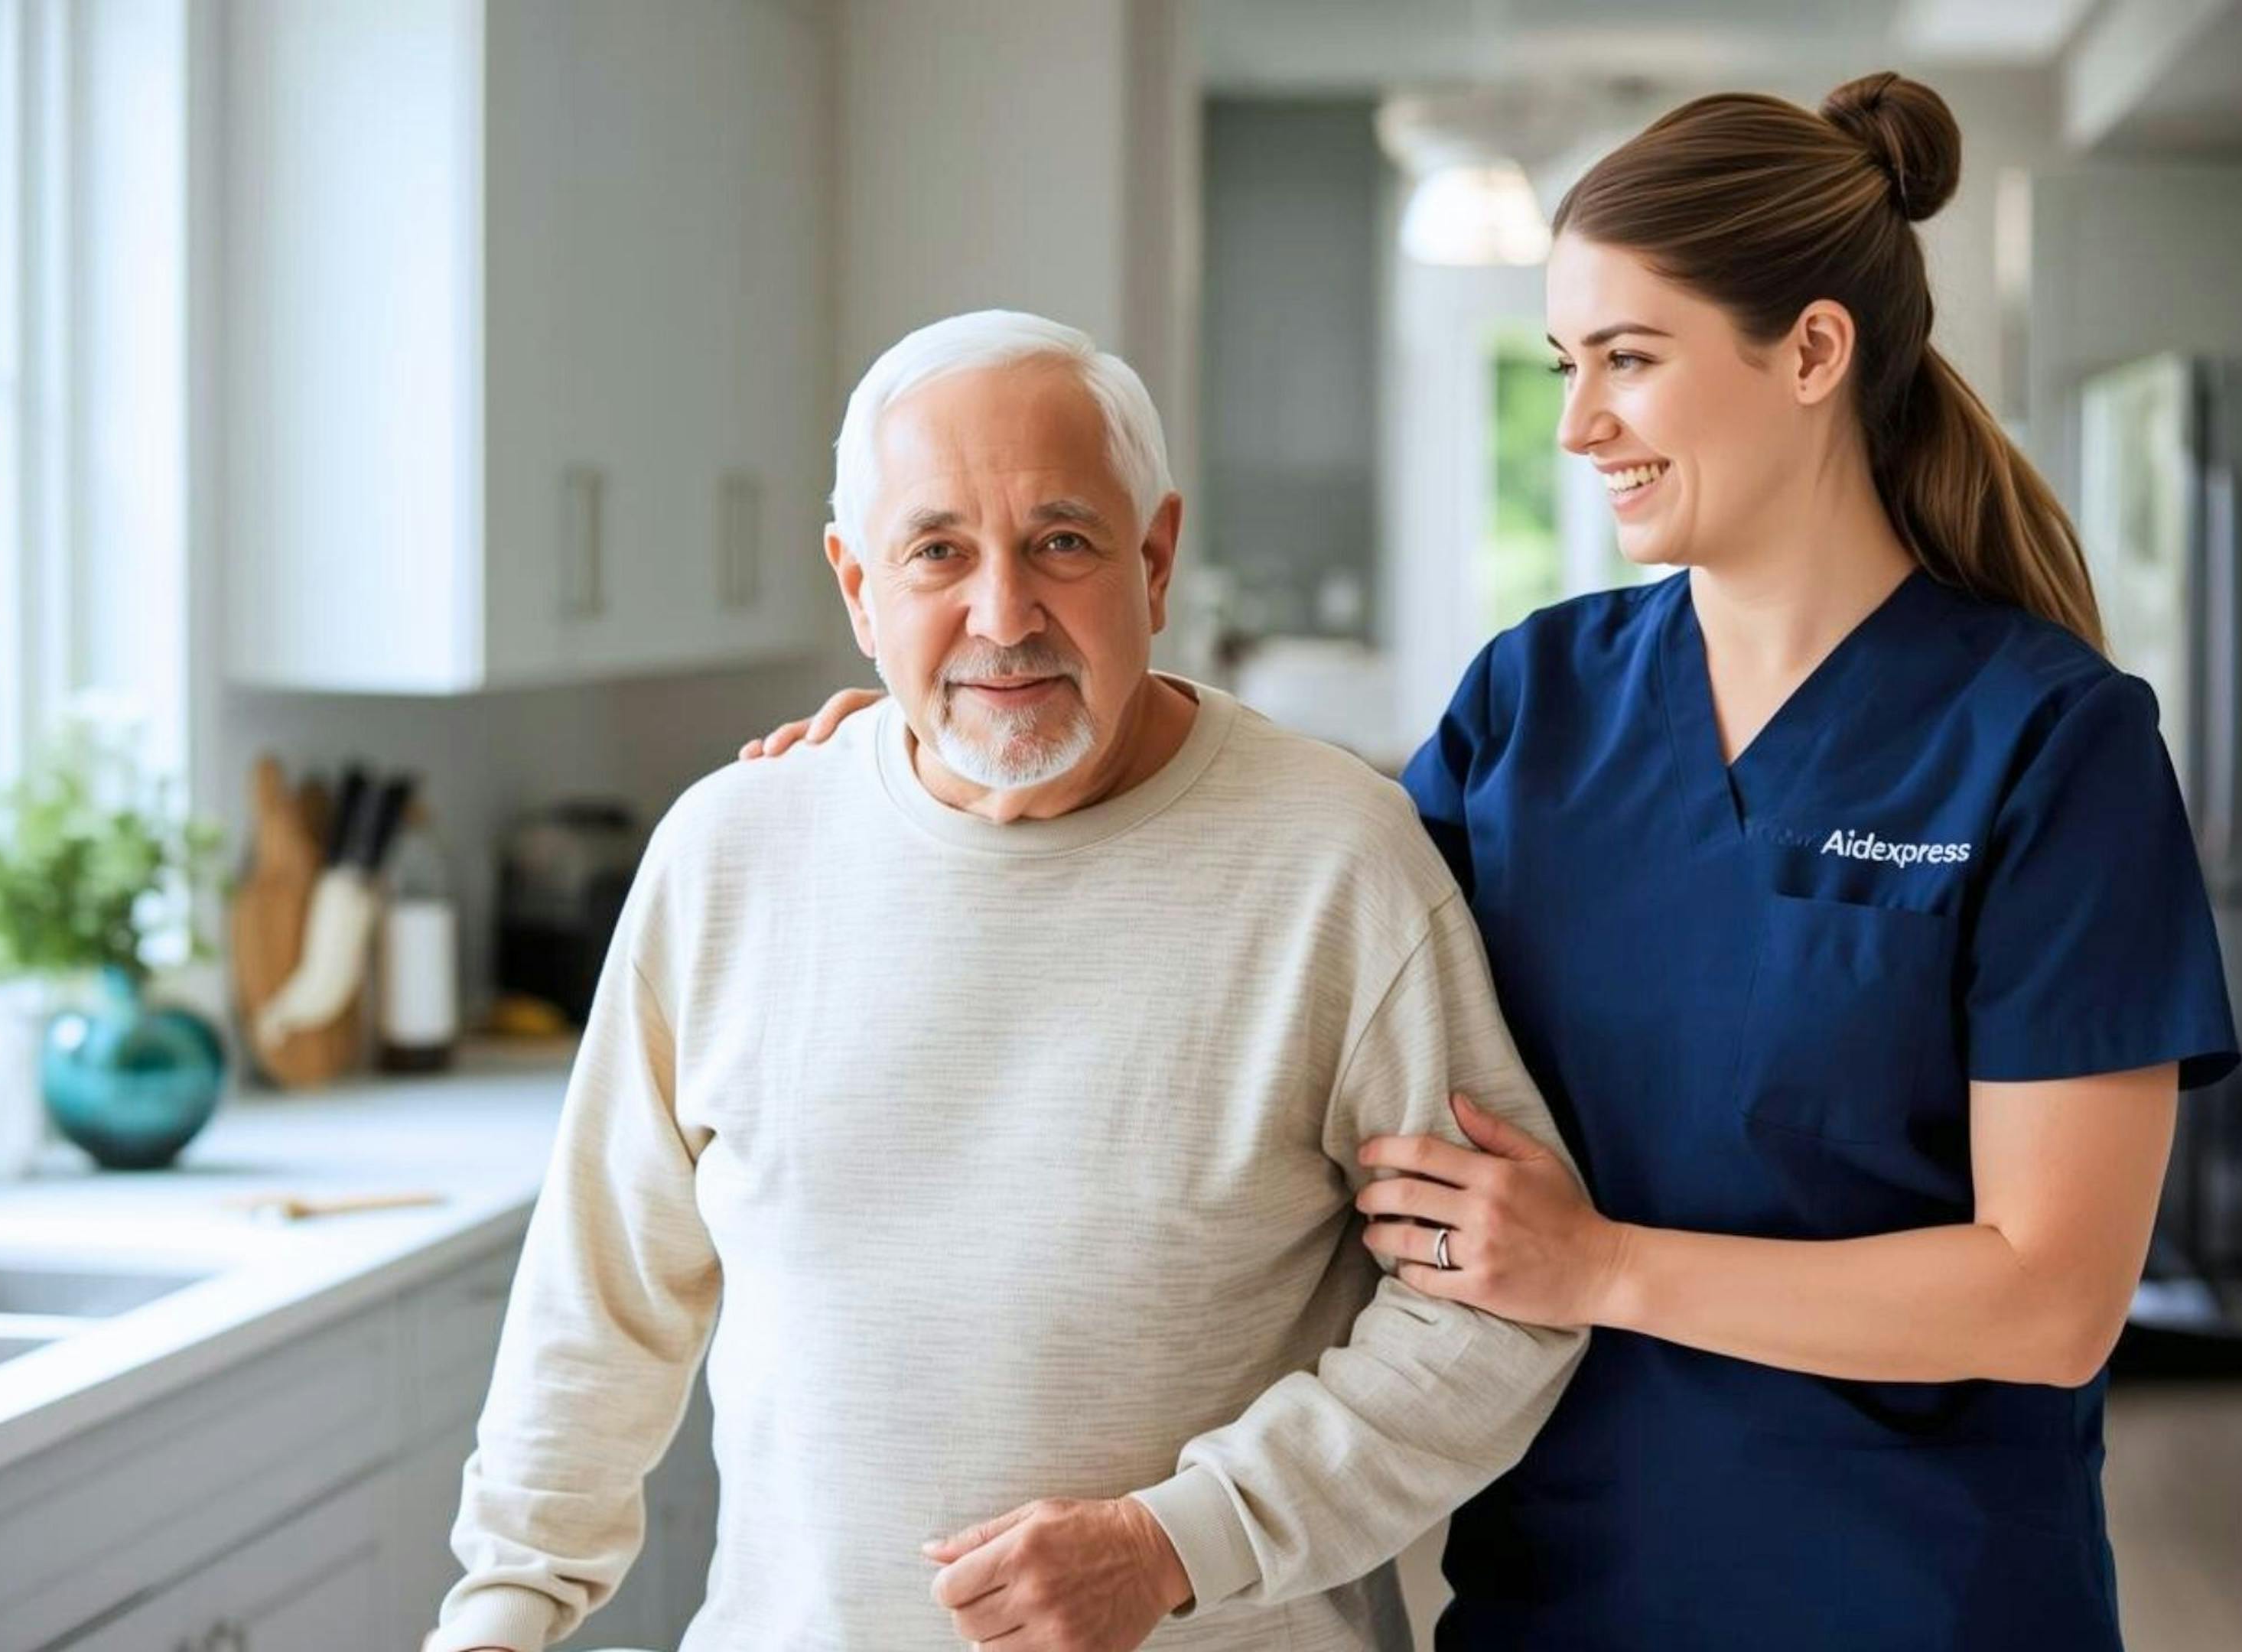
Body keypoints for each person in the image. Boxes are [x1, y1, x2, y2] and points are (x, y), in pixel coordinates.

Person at [746, 72, 2237, 1651]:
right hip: (1556, 1602)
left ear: (1811, 352)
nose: (1579, 420)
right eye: (1566, 364)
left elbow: (2051, 1299)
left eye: (1629, 360)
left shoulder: (2049, 744)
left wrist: (1600, 1266)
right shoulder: (1541, 700)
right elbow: (1271, 885)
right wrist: (972, 709)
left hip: (1917, 1603)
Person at [433, 311, 1586, 1652]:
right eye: (937, 552)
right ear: (857, 588)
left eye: (1062, 543)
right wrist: (507, 1604)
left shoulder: (1336, 865)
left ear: (1153, 558)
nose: (1002, 615)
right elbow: (601, 1296)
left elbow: (1497, 1312)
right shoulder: (729, 852)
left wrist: (1178, 1544)